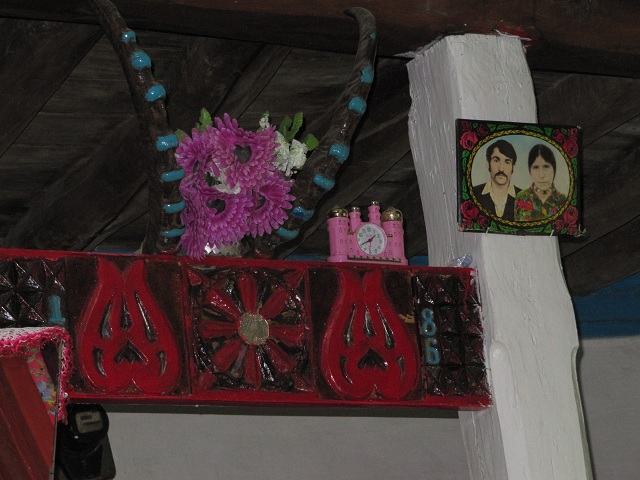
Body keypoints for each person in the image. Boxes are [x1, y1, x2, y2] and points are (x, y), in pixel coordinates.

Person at [514, 144, 567, 221]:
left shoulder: (562, 200)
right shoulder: (521, 197)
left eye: (546, 167)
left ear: (554, 169)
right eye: (535, 167)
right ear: (530, 171)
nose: (541, 175)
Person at [472, 139, 520, 222]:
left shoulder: (525, 198)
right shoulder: (474, 193)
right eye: (496, 160)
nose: (501, 168)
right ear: (488, 164)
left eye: (507, 162)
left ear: (513, 167)